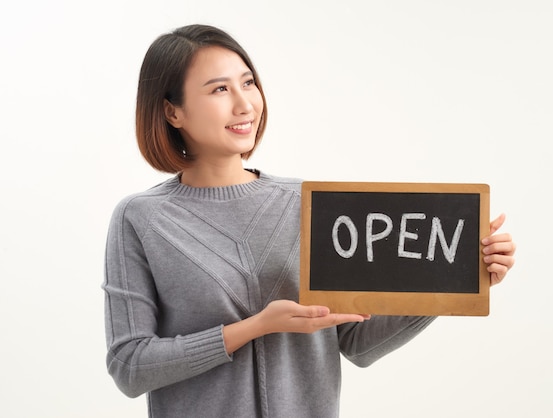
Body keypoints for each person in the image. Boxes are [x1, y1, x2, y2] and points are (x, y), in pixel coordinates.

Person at [103, 24, 516, 418]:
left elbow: (357, 344)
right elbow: (130, 364)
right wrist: (255, 327)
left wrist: (453, 279)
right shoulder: (141, 219)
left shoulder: (309, 203)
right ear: (173, 112)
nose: (245, 104)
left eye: (248, 83)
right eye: (220, 89)